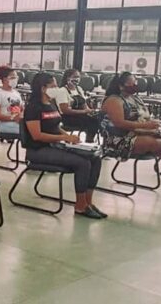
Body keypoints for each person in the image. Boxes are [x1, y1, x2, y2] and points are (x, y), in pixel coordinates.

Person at [23, 72, 104, 219]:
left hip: (55, 146)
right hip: (38, 150)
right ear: (43, 88)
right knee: (83, 163)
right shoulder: (33, 107)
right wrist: (64, 137)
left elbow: (55, 126)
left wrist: (68, 137)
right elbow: (37, 135)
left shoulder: (51, 104)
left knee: (95, 159)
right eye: (53, 86)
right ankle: (80, 205)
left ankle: (88, 202)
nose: (56, 88)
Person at [101, 72, 161, 171]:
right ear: (121, 86)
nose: (135, 85)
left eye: (135, 82)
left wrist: (153, 126)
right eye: (131, 83)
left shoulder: (135, 98)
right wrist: (146, 126)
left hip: (139, 132)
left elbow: (143, 117)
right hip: (120, 139)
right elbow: (120, 123)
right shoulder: (113, 100)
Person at [56, 69, 100, 143]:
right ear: (68, 78)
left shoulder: (79, 89)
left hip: (81, 115)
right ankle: (89, 141)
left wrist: (91, 111)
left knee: (97, 118)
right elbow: (65, 110)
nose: (77, 79)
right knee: (92, 121)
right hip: (67, 118)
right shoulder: (62, 91)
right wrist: (84, 111)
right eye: (74, 77)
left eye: (78, 77)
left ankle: (92, 139)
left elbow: (84, 105)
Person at [0, 66, 24, 135]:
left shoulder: (16, 93)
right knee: (30, 132)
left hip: (17, 123)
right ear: (5, 79)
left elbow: (22, 109)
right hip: (5, 124)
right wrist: (12, 118)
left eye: (16, 77)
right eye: (13, 77)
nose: (15, 79)